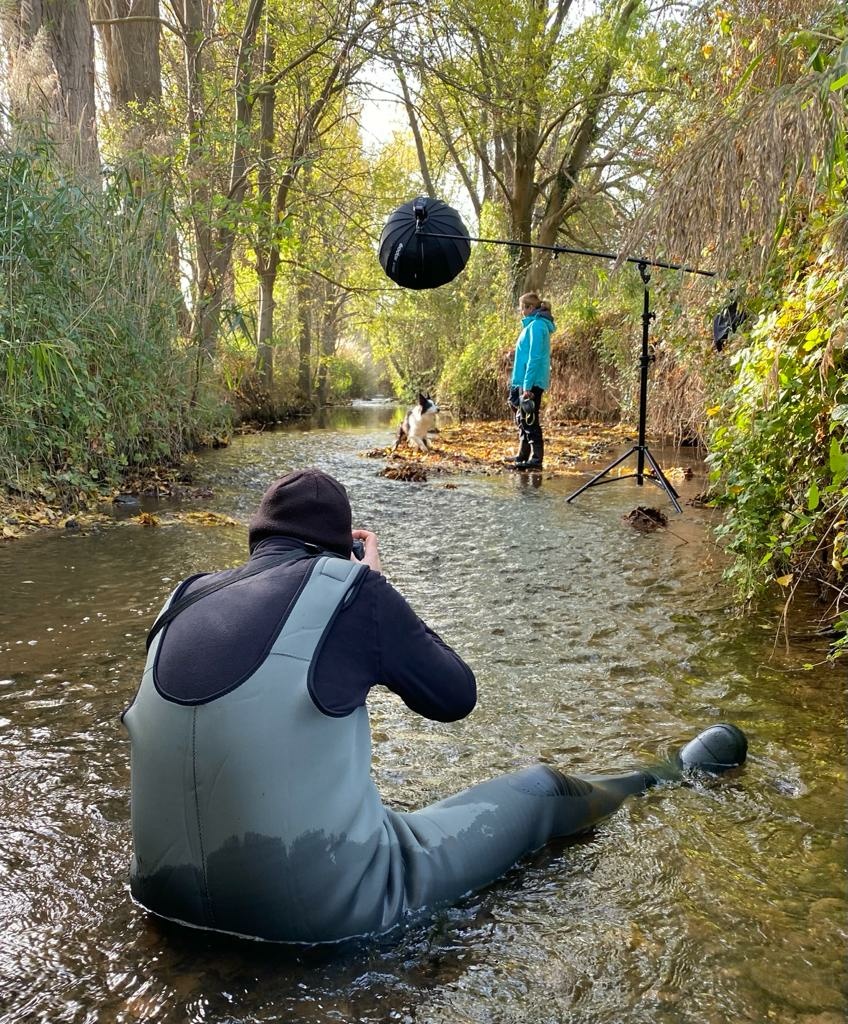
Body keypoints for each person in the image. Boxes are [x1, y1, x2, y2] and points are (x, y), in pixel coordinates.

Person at [123, 468, 747, 944]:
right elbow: (454, 697)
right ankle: (668, 775)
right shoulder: (351, 589)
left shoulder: (182, 600)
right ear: (341, 548)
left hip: (161, 898)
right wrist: (373, 583)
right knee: (541, 790)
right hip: (320, 914)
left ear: (258, 541)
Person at [506, 292, 555, 469]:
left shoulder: (537, 326)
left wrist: (527, 386)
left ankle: (536, 459)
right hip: (524, 379)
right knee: (522, 418)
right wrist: (515, 354)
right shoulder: (532, 325)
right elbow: (528, 352)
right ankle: (522, 455)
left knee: (530, 419)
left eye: (522, 308)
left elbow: (535, 358)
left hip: (531, 380)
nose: (521, 311)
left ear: (530, 308)